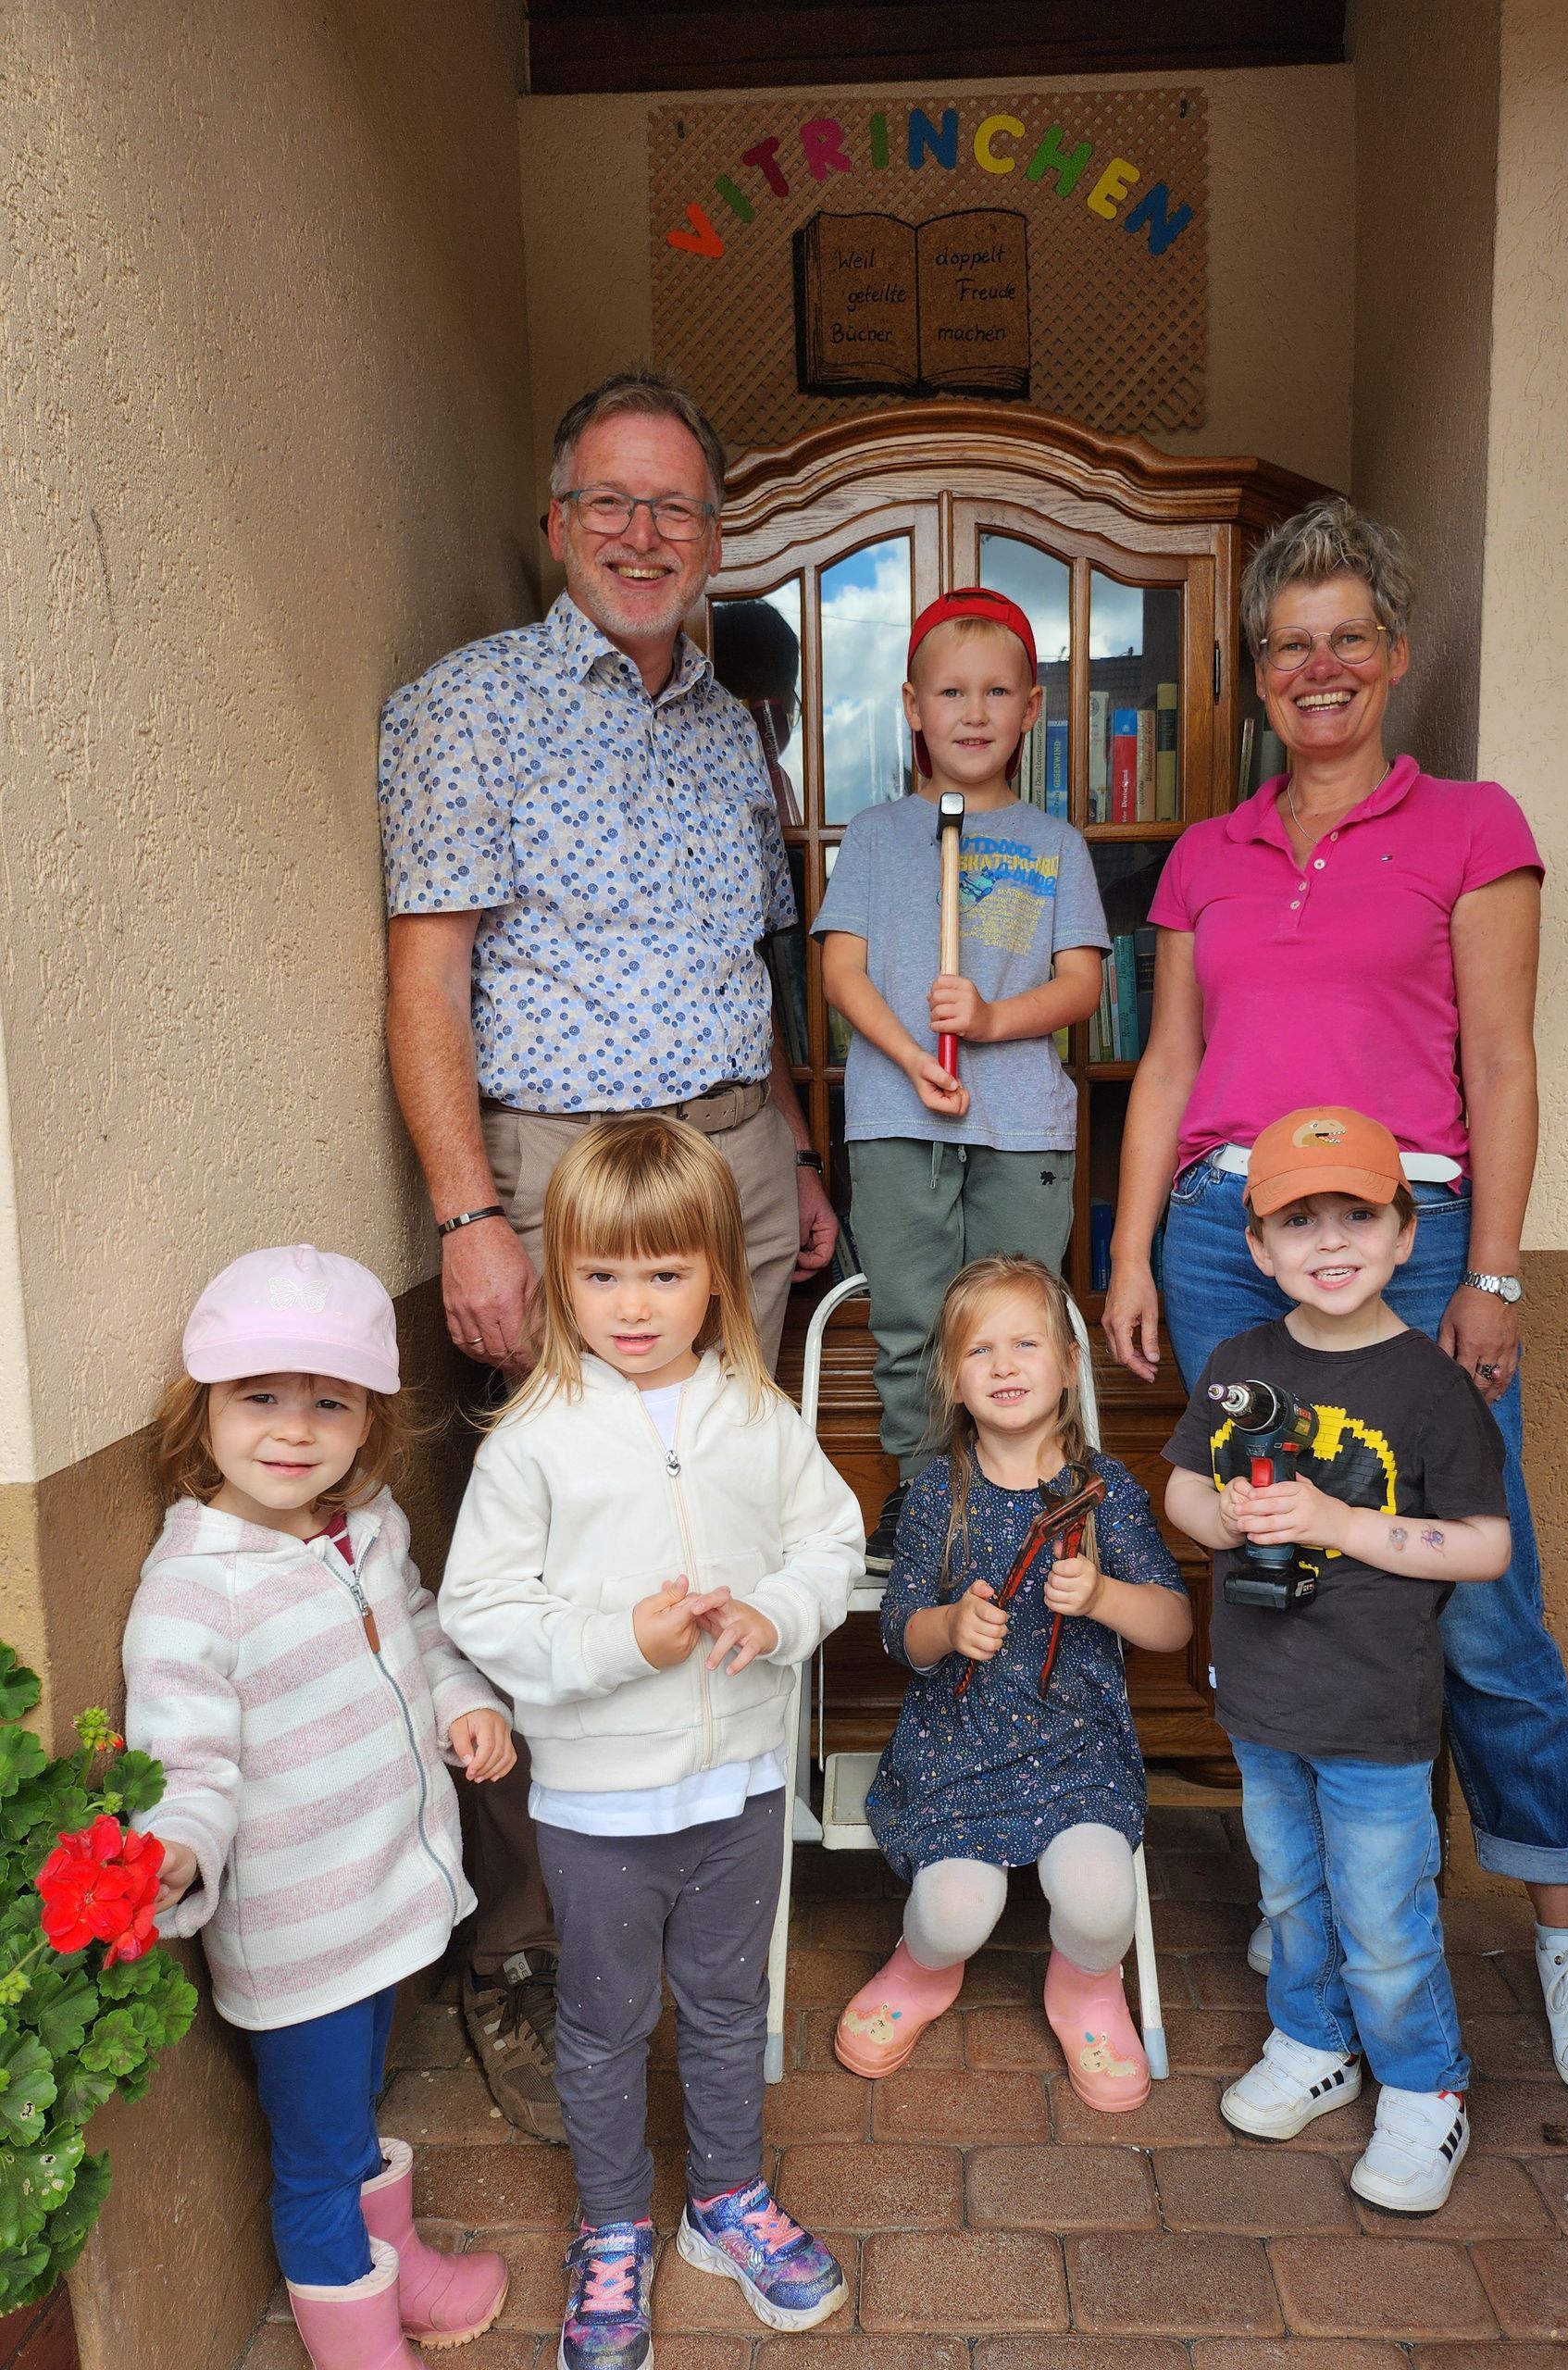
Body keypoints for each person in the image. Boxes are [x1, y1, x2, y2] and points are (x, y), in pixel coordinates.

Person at [1103, 497, 1568, 2101]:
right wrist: (1134, 1249)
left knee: (1476, 1593)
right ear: (1257, 675)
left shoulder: (1474, 826)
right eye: (1290, 644)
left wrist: (1492, 1267)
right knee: (1273, 1561)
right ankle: (1324, 1915)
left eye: (1349, 637)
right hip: (1225, 1234)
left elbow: (1502, 1062)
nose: (1319, 666)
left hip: (1409, 1239)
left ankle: (1561, 1932)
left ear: (1395, 655)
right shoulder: (1208, 851)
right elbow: (1173, 1068)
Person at [379, 367, 838, 2131]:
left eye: (682, 511)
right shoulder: (467, 709)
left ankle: (717, 1862)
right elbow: (426, 982)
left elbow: (764, 970)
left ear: (717, 541)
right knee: (548, 1533)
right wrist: (466, 1214)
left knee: (728, 1496)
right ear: (559, 518)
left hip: (734, 1159)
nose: (650, 537)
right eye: (616, 504)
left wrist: (792, 1148)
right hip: (559, 1182)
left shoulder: (733, 729)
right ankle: (544, 1934)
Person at [436, 1116, 862, 2369]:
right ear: (558, 1274)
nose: (633, 1305)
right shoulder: (533, 1439)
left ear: (720, 1273)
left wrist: (777, 1612)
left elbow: (827, 1547)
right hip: (601, 1805)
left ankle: (725, 2201)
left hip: (740, 1784)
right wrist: (629, 1638)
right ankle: (615, 2225)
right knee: (609, 2022)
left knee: (731, 2004)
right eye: (602, 1274)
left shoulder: (759, 1414)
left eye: (665, 1273)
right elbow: (486, 1612)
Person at [122, 1246, 516, 2370]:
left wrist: (462, 1700)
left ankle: (403, 2273)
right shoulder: (194, 1590)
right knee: (314, 2151)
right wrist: (174, 1855)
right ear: (201, 1409)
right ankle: (354, 2335)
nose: (292, 1430)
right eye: (259, 1397)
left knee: (358, 2106)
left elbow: (424, 1630)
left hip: (387, 1899)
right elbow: (187, 1768)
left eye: (327, 1402)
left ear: (369, 1421)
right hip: (301, 1936)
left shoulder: (368, 1522)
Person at [1166, 1110, 1512, 2213]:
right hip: (1262, 1701)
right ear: (1257, 1246)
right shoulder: (1237, 1362)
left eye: (1358, 1215)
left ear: (1406, 1236)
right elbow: (1180, 1484)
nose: (1329, 1240)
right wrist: (1222, 1517)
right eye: (1297, 1219)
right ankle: (1316, 2039)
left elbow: (1486, 1545)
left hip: (1374, 1710)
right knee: (1291, 1892)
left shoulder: (1429, 1386)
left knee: (1383, 1915)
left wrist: (1337, 1521)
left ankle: (1425, 2085)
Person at [835, 1254, 1191, 2111]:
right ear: (952, 1381)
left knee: (1103, 1903)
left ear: (1069, 1363)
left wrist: (1105, 1596)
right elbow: (901, 1634)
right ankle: (921, 1974)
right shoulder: (934, 1496)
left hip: (1080, 1750)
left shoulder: (1105, 1493)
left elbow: (1173, 1623)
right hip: (961, 1751)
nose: (1003, 1365)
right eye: (979, 1350)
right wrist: (949, 1624)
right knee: (954, 1912)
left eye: (1026, 1343)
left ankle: (1085, 1989)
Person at [815, 588, 1108, 1571]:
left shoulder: (1055, 844)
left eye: (996, 692)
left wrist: (987, 1022)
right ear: (912, 706)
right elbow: (841, 970)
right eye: (951, 692)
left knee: (1020, 1322)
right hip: (898, 1113)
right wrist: (910, 1055)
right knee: (911, 1315)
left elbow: (1079, 986)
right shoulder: (877, 835)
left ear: (1031, 709)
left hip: (1022, 1123)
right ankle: (924, 1491)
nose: (973, 713)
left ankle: (1027, 1492)